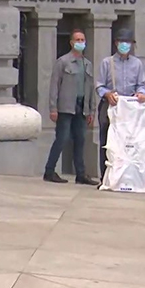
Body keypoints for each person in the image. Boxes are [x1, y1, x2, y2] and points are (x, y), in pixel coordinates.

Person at [44, 29, 100, 186]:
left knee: (80, 140)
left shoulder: (87, 64)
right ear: (71, 42)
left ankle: (80, 174)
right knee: (62, 139)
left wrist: (91, 110)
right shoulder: (62, 62)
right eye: (77, 40)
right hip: (65, 106)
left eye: (82, 40)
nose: (80, 42)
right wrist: (53, 108)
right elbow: (54, 85)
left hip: (82, 107)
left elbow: (90, 88)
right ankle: (49, 171)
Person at [95, 29, 145, 182]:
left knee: (128, 143)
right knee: (107, 142)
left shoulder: (137, 64)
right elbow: (99, 86)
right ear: (116, 43)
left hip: (129, 109)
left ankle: (125, 177)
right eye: (121, 42)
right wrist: (107, 94)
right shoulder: (107, 62)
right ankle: (105, 178)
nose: (125, 45)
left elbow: (141, 85)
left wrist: (141, 93)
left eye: (128, 42)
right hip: (110, 106)